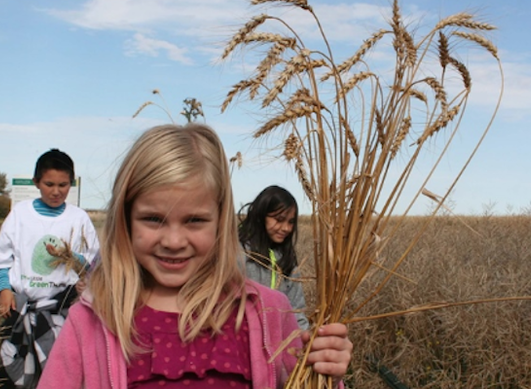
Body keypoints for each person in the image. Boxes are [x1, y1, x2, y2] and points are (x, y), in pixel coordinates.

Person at [37, 124, 352, 389]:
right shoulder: (93, 320)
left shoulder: (269, 314)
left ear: (221, 220)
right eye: (153, 219)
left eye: (195, 221)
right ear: (126, 220)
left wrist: (326, 369)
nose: (174, 241)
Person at [0, 148, 100, 389]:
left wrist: (69, 256)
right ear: (36, 182)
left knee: (60, 375)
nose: (56, 191)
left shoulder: (79, 219)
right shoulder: (20, 214)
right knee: (13, 372)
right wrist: (4, 290)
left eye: (64, 185)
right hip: (21, 309)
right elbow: (2, 259)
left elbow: (92, 265)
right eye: (49, 184)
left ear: (72, 183)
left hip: (63, 310)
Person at [239, 185, 309, 329]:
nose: (286, 228)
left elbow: (296, 311)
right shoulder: (238, 252)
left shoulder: (288, 261)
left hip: (278, 345)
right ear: (261, 216)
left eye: (290, 222)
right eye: (279, 219)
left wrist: (303, 341)